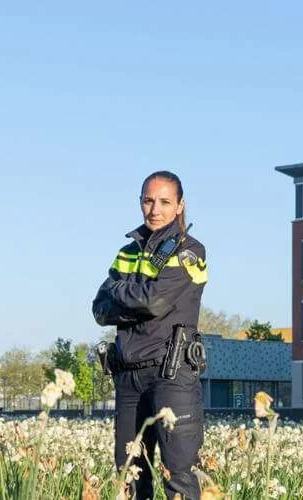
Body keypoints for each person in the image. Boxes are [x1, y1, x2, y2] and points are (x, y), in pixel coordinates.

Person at [92, 171, 208, 499]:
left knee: (179, 479)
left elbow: (155, 302)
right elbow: (100, 310)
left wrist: (121, 292)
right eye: (148, 200)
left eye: (165, 202)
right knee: (128, 481)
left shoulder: (191, 251)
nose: (155, 209)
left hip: (171, 375)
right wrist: (139, 297)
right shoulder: (126, 253)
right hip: (128, 379)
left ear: (179, 206)